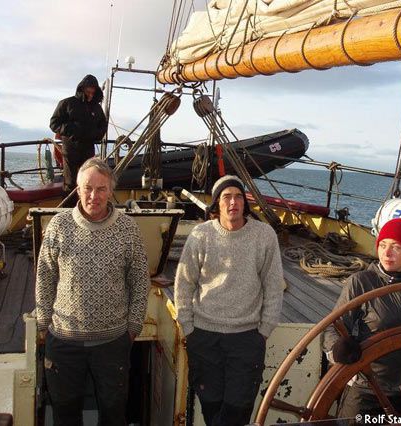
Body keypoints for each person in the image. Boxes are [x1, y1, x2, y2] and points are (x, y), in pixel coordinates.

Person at [35, 157, 150, 426]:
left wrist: (132, 327)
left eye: (101, 189)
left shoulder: (127, 229)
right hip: (63, 343)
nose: (93, 196)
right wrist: (43, 325)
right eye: (87, 188)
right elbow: (45, 277)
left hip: (112, 344)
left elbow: (140, 280)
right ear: (77, 189)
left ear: (111, 192)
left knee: (113, 413)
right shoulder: (59, 226)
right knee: (65, 415)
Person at [175, 175, 284, 426]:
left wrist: (264, 330)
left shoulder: (264, 235)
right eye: (226, 197)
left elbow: (273, 284)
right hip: (204, 336)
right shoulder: (201, 235)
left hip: (246, 338)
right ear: (217, 204)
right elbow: (184, 283)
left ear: (245, 203)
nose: (233, 202)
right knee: (211, 408)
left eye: (238, 196)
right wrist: (188, 327)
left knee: (238, 409)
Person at [321, 218, 401, 421]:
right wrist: (338, 348)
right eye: (383, 245)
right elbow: (332, 327)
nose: (387, 253)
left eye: (396, 247)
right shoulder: (361, 282)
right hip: (367, 391)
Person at [50, 74, 107, 205]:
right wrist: (70, 130)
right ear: (82, 89)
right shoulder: (67, 103)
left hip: (88, 148)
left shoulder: (96, 108)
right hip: (70, 148)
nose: (90, 94)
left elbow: (103, 126)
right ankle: (67, 212)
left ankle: (85, 208)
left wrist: (96, 134)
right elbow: (54, 123)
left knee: (87, 181)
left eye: (93, 92)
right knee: (70, 182)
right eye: (88, 91)